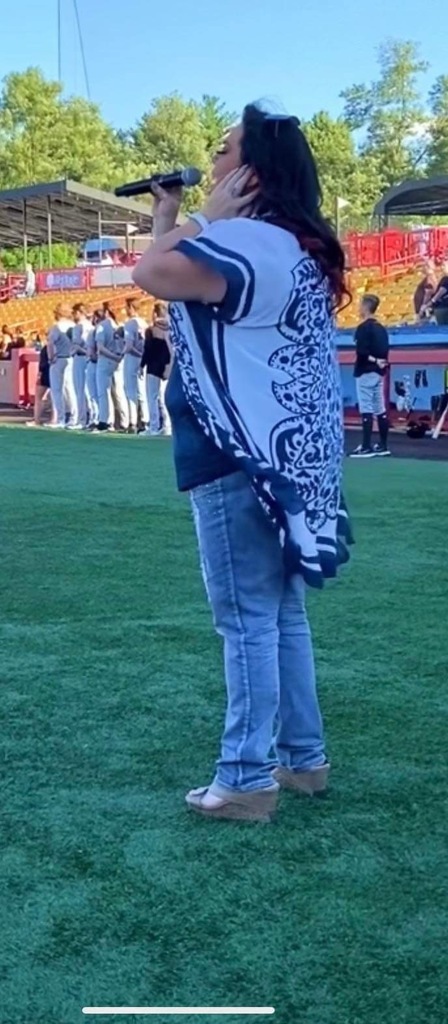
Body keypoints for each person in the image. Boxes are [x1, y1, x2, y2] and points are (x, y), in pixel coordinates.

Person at [133, 103, 352, 823]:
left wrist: (203, 218)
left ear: (251, 174)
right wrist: (174, 217)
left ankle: (246, 779)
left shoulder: (246, 239)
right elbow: (178, 288)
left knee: (248, 619)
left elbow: (153, 273)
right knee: (280, 615)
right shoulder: (289, 245)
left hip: (237, 453)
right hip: (279, 456)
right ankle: (303, 759)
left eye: (224, 151)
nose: (212, 162)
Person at [350, 294, 390, 458]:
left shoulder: (363, 328)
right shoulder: (382, 328)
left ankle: (366, 446)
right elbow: (384, 351)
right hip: (379, 372)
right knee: (380, 408)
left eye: (360, 305)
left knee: (366, 407)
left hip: (365, 371)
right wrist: (380, 362)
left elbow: (361, 353)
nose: (359, 308)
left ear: (366, 307)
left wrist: (374, 360)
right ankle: (383, 445)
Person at [140, 301, 172, 437]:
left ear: (154, 313)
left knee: (152, 397)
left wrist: (141, 365)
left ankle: (154, 425)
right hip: (166, 365)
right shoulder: (170, 329)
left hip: (153, 365)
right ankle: (167, 426)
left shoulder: (151, 330)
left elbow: (147, 350)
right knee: (164, 397)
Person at [95, 304, 129, 432]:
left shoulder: (103, 326)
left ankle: (105, 421)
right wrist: (119, 356)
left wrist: (113, 356)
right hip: (119, 360)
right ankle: (126, 422)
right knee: (120, 392)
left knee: (103, 392)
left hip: (107, 359)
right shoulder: (120, 325)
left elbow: (100, 347)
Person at [47, 303, 77, 429]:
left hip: (59, 358)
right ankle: (74, 417)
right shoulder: (74, 326)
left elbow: (50, 343)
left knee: (57, 390)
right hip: (72, 358)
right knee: (71, 389)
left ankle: (61, 418)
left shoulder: (56, 327)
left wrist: (50, 358)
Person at [123, 297, 148, 433]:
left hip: (133, 357)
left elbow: (129, 346)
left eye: (127, 307)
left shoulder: (130, 323)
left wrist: (121, 354)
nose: (125, 309)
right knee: (142, 390)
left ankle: (133, 422)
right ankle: (145, 420)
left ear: (131, 307)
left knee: (131, 390)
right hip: (143, 357)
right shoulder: (144, 323)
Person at [71, 303, 91, 428]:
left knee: (80, 389)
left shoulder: (80, 326)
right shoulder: (89, 325)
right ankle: (86, 418)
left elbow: (80, 344)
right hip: (85, 357)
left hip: (81, 357)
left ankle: (82, 419)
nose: (73, 315)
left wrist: (77, 349)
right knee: (85, 389)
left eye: (75, 313)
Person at [26, 344, 55, 427]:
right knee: (54, 397)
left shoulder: (46, 348)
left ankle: (37, 419)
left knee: (39, 397)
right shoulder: (59, 347)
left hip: (46, 372)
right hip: (54, 371)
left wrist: (39, 374)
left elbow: (42, 363)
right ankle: (53, 419)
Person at [85, 310, 101, 430]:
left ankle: (95, 418)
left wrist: (93, 357)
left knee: (93, 393)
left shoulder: (94, 331)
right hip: (101, 362)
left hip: (94, 363)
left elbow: (91, 351)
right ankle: (97, 417)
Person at [421, 259, 448, 325]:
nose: (442, 267)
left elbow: (439, 294)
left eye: (444, 265)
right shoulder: (443, 278)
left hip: (443, 308)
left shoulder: (446, 279)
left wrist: (427, 305)